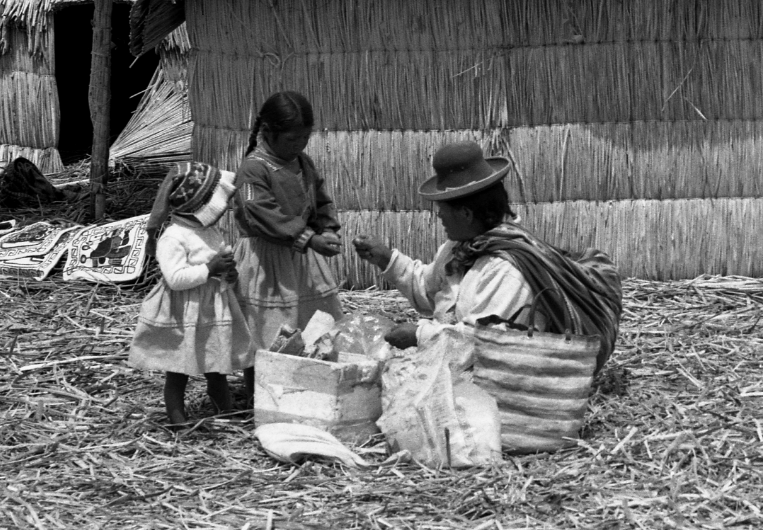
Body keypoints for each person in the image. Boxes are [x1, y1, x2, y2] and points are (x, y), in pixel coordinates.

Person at [352, 141, 623, 370]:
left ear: (466, 214)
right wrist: (387, 259)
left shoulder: (506, 269)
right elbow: (429, 291)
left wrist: (419, 335)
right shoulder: (459, 249)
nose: (439, 216)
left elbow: (483, 342)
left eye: (442, 209)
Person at [127, 161, 256, 428]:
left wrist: (228, 275)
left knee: (216, 368)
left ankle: (225, 413)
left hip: (210, 310)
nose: (222, 213)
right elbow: (175, 279)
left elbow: (219, 267)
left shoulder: (209, 232)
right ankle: (178, 420)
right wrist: (209, 269)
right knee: (178, 371)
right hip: (184, 312)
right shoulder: (174, 237)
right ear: (198, 206)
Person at [233, 91, 345, 394]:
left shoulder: (302, 162)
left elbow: (320, 200)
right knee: (267, 327)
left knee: (310, 325)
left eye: (304, 139)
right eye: (292, 140)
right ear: (268, 133)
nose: (299, 146)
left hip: (302, 259)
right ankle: (259, 393)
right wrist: (308, 238)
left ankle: (301, 387)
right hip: (266, 259)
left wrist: (328, 229)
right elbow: (261, 213)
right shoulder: (254, 168)